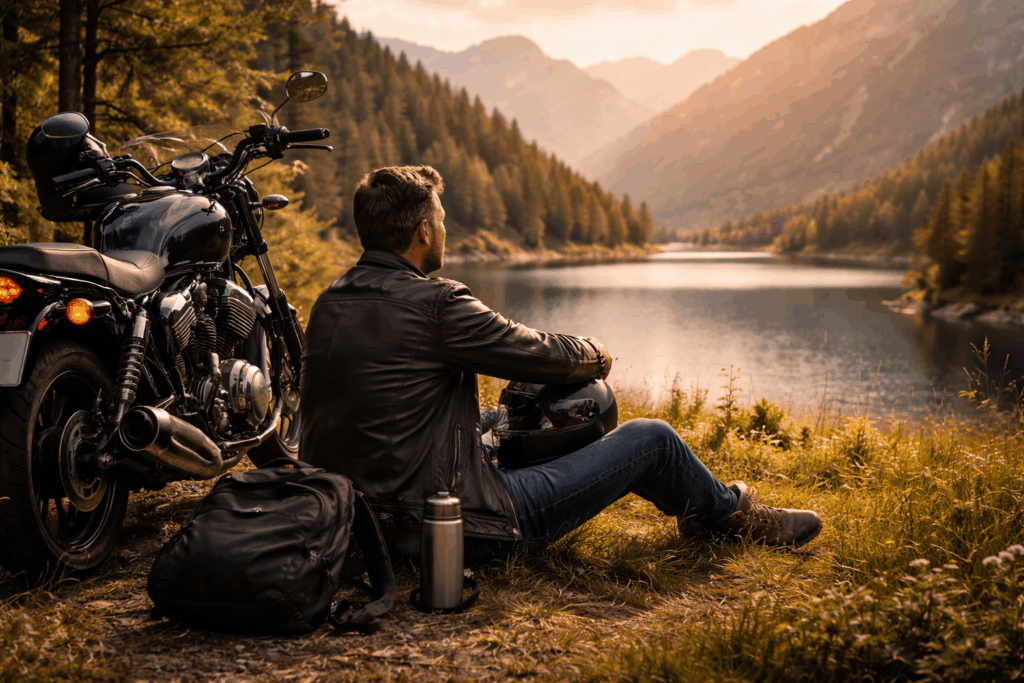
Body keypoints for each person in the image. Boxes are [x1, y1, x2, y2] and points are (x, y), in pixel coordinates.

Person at [300, 165, 822, 563]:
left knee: (503, 420)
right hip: (447, 526)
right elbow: (534, 350)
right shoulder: (437, 305)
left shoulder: (330, 302)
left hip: (350, 522)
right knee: (652, 437)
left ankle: (703, 509)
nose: (443, 231)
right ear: (421, 232)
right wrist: (595, 354)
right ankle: (733, 515)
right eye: (440, 221)